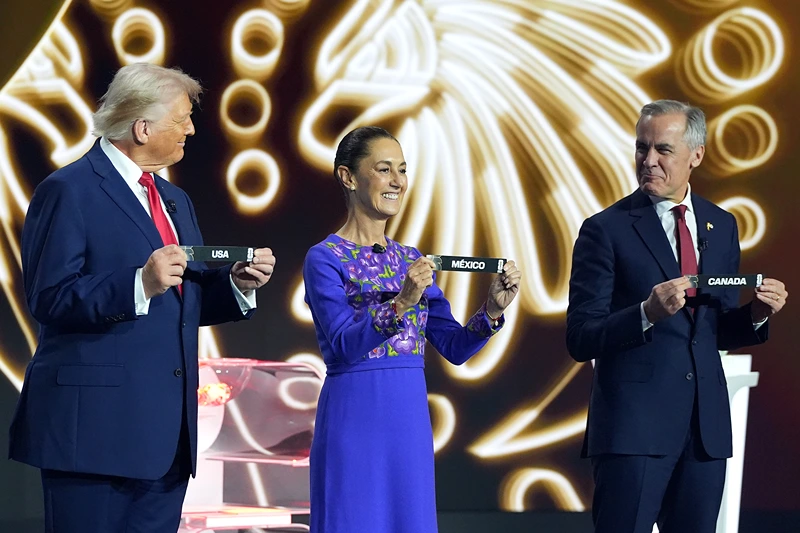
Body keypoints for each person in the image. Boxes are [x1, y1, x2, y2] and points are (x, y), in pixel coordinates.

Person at [8, 63, 277, 533]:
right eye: (182, 119)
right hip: (94, 438)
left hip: (165, 440)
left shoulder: (175, 199)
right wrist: (140, 284)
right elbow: (49, 297)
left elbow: (182, 301)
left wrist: (236, 284)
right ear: (142, 126)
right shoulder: (67, 191)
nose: (191, 129)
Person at [566, 99, 788, 533]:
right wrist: (646, 313)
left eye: (663, 150)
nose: (649, 161)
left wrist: (757, 315)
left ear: (696, 155)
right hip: (633, 434)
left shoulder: (720, 225)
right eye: (641, 148)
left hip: (703, 434)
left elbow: (714, 329)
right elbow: (581, 337)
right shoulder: (604, 229)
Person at [303, 126, 521, 532]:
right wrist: (402, 301)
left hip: (409, 424)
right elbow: (345, 343)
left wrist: (491, 310)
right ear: (348, 177)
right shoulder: (324, 258)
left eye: (401, 170)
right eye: (383, 169)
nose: (397, 181)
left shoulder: (411, 258)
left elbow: (454, 346)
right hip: (356, 418)